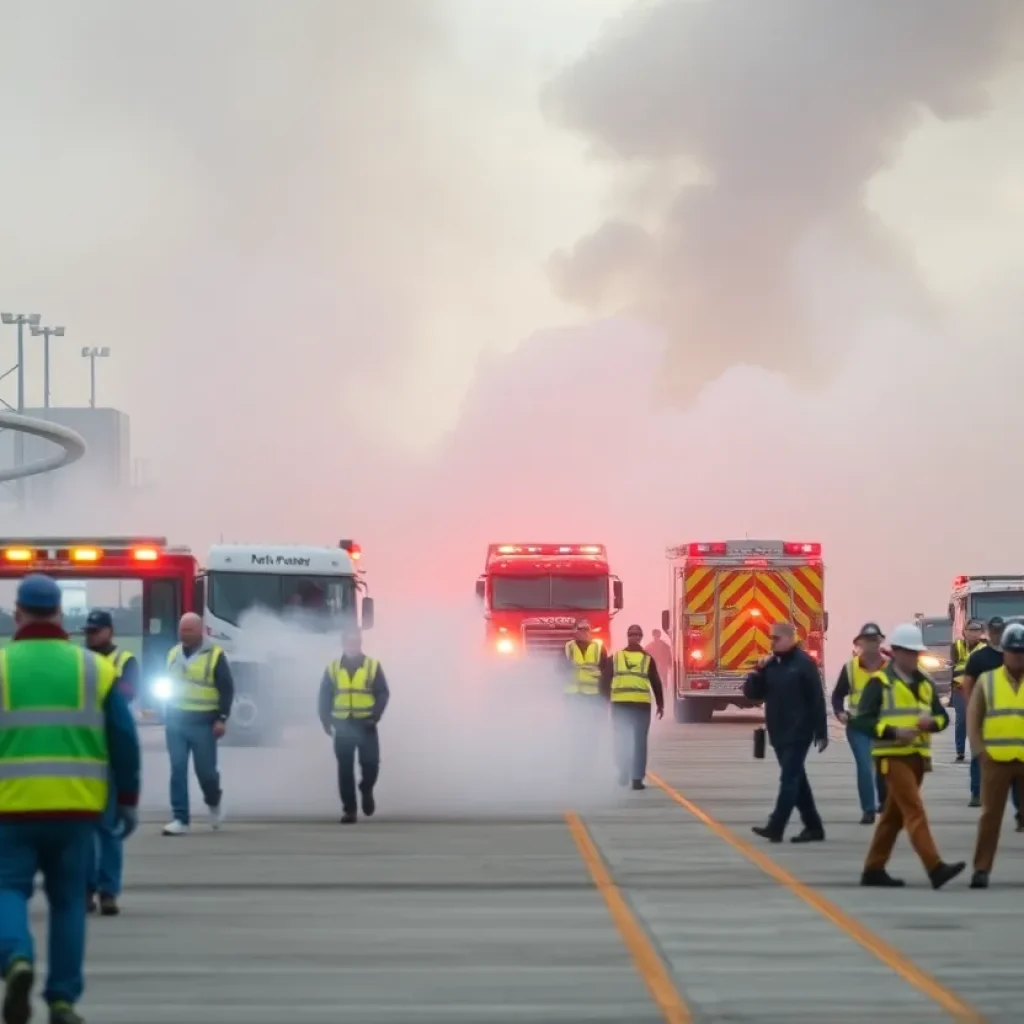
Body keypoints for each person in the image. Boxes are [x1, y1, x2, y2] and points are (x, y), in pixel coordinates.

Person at [0, 574, 140, 1024]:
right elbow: (123, 738)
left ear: (18, 614)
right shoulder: (95, 669)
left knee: (7, 891)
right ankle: (62, 1000)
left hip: (11, 808)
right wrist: (128, 798)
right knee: (68, 903)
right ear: (60, 614)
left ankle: (17, 960)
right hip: (77, 809)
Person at [852, 622, 965, 889]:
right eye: (910, 652)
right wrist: (892, 732)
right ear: (896, 652)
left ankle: (873, 869)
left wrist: (932, 724)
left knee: (894, 816)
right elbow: (860, 722)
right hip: (892, 757)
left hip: (917, 757)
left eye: (917, 653)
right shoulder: (880, 683)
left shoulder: (925, 681)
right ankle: (935, 867)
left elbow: (941, 717)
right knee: (914, 809)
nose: (914, 657)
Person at [743, 621, 828, 843]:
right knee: (797, 780)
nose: (772, 642)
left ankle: (776, 826)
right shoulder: (772, 665)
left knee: (789, 779)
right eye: (770, 638)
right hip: (778, 732)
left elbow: (816, 699)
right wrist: (757, 671)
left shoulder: (804, 664)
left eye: (776, 638)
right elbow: (752, 694)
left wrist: (821, 732)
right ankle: (814, 827)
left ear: (790, 639)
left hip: (799, 732)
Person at [82, 609, 139, 917]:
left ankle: (108, 891)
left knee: (108, 829)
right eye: (88, 631)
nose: (91, 636)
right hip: (82, 755)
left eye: (96, 631)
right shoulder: (78, 660)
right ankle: (87, 889)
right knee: (85, 831)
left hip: (107, 754)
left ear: (110, 631)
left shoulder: (125, 660)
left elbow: (127, 693)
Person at [161, 612, 234, 836]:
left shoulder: (215, 655)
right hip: (176, 721)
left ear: (200, 631)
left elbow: (226, 689)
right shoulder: (172, 654)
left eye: (188, 630)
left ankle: (213, 801)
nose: (183, 634)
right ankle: (180, 818)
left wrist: (221, 718)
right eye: (181, 629)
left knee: (206, 773)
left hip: (203, 722)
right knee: (178, 768)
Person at [968, 621, 1024, 888]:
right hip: (996, 761)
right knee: (990, 817)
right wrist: (981, 753)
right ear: (1004, 652)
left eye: (1022, 651)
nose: (1018, 656)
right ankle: (981, 869)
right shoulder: (987, 681)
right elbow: (973, 718)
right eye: (1013, 651)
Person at [318, 625, 390, 824]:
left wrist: (375, 716)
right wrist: (325, 720)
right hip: (342, 725)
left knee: (371, 766)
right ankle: (349, 810)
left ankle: (366, 789)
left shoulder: (373, 666)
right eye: (349, 642)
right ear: (343, 644)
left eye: (356, 642)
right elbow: (324, 695)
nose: (352, 645)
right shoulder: (333, 668)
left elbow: (383, 693)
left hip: (366, 725)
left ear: (360, 644)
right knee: (345, 770)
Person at [961, 617, 1020, 822]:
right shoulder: (979, 658)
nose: (996, 634)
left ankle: (1019, 806)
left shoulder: (1012, 655)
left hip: (1011, 719)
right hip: (985, 717)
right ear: (988, 632)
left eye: (999, 631)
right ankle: (977, 792)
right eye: (993, 631)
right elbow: (968, 684)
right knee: (979, 756)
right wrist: (972, 710)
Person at [830, 623, 889, 824]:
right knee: (865, 766)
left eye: (875, 640)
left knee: (883, 766)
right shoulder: (851, 667)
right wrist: (839, 712)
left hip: (884, 725)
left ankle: (884, 800)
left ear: (880, 641)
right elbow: (838, 695)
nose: (871, 644)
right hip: (858, 725)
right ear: (860, 643)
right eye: (867, 640)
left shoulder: (891, 666)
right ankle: (868, 810)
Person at [601, 624, 664, 790]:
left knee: (622, 739)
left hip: (621, 704)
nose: (634, 637)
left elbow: (604, 680)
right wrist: (660, 704)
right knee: (638, 742)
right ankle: (636, 779)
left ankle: (624, 772)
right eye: (633, 635)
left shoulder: (616, 658)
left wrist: (605, 700)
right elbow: (656, 682)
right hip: (640, 705)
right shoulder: (646, 658)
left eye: (635, 635)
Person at [950, 619, 986, 762]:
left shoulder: (984, 648)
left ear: (981, 632)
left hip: (978, 689)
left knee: (978, 720)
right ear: (964, 632)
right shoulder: (957, 646)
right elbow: (954, 662)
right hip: (959, 689)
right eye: (970, 630)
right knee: (961, 720)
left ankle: (977, 750)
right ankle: (960, 751)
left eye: (976, 630)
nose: (973, 633)